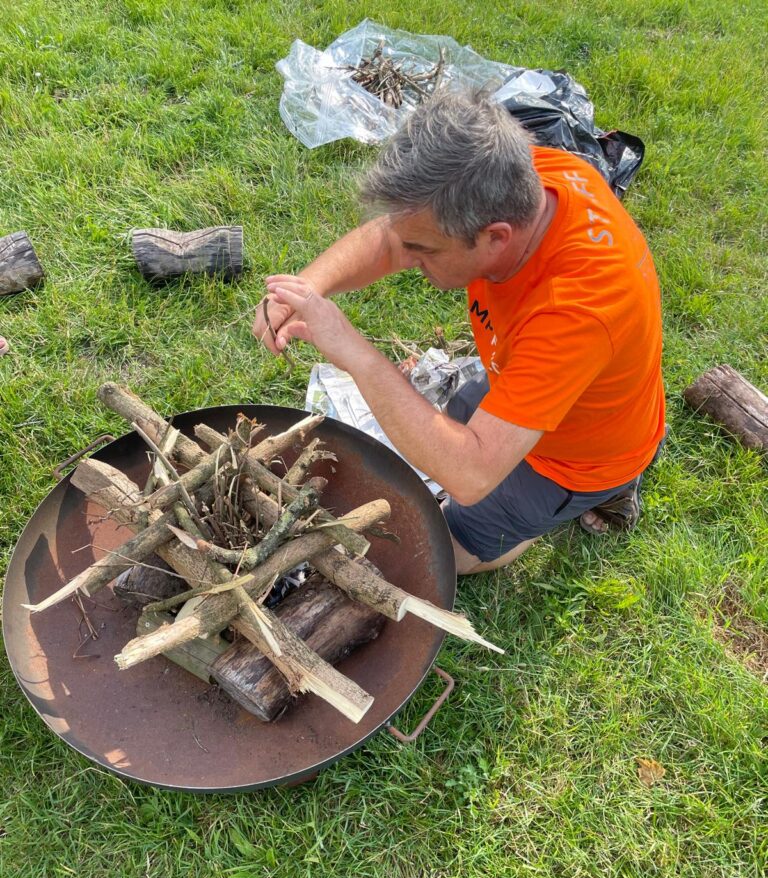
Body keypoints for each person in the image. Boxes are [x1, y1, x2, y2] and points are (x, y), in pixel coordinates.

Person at [252, 90, 665, 575]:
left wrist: (354, 352)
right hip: (534, 371)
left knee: (445, 548)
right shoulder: (522, 176)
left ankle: (604, 493)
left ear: (496, 236)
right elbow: (393, 237)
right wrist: (306, 288)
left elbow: (470, 475)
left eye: (424, 250)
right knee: (451, 422)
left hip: (577, 456)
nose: (410, 259)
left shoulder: (575, 311)